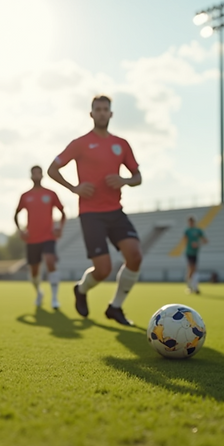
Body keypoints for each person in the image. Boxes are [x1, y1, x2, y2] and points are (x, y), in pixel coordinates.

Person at [47, 95, 142, 326]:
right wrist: (74, 187)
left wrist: (124, 180)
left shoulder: (121, 144)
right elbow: (52, 169)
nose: (101, 113)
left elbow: (137, 177)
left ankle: (115, 307)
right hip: (91, 214)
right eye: (97, 109)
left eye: (105, 109)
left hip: (115, 211)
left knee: (135, 256)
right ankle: (81, 289)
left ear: (111, 114)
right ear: (91, 114)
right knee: (103, 270)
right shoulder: (80, 143)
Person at [15, 164, 66, 308]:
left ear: (42, 175)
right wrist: (20, 230)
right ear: (31, 176)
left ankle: (55, 298)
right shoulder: (25, 196)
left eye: (39, 173)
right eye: (34, 173)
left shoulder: (51, 194)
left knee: (50, 261)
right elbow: (16, 214)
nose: (36, 176)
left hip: (48, 236)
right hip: (32, 239)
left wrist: (59, 228)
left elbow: (62, 212)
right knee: (34, 271)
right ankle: (39, 293)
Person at [183, 217, 208, 294]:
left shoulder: (198, 231)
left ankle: (194, 287)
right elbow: (184, 241)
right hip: (189, 252)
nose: (190, 223)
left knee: (194, 270)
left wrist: (198, 244)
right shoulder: (187, 231)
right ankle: (191, 287)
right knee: (191, 269)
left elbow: (205, 241)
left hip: (195, 253)